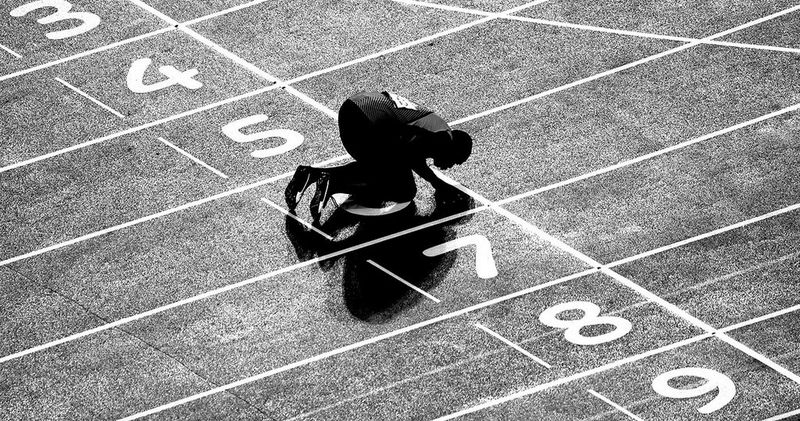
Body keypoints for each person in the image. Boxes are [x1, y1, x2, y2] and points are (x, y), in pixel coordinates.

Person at [284, 90, 473, 222]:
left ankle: (313, 174)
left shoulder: (435, 126)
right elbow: (411, 158)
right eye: (455, 161)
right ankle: (334, 183)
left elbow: (407, 153)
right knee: (403, 189)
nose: (449, 167)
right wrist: (438, 184)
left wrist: (436, 182)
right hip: (369, 119)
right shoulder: (441, 138)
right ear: (453, 148)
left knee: (379, 163)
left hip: (353, 109)